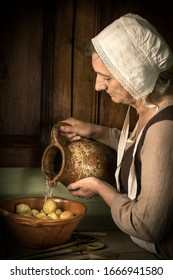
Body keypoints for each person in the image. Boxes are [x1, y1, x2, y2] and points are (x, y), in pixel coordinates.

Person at [59, 13, 173, 259]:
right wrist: (95, 131)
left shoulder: (165, 129)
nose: (98, 86)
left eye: (107, 77)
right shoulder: (144, 108)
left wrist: (100, 187)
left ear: (136, 76)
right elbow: (141, 148)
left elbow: (148, 226)